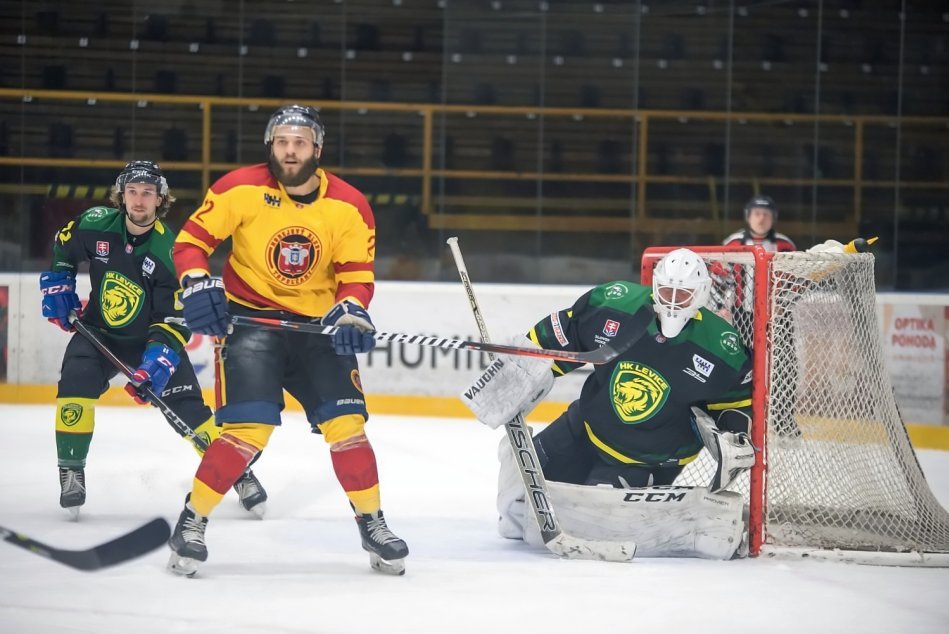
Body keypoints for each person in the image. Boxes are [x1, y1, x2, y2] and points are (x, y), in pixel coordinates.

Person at [168, 104, 408, 576]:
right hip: (251, 323)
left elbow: (356, 275)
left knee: (348, 426)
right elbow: (191, 242)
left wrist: (352, 309)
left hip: (315, 328)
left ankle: (372, 522)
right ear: (271, 146)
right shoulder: (238, 188)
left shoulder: (349, 204)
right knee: (247, 432)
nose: (290, 150)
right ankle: (191, 522)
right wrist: (196, 281)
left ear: (317, 149)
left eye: (299, 142)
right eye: (282, 142)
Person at [459, 248, 756, 558]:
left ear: (701, 294)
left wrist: (733, 434)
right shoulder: (614, 305)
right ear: (654, 285)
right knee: (516, 495)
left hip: (645, 459)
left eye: (682, 295)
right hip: (584, 429)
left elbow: (735, 400)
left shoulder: (720, 345)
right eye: (667, 291)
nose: (671, 301)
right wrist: (517, 373)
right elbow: (563, 335)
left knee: (590, 520)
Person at [40, 161, 267, 520]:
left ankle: (238, 473)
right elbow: (63, 248)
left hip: (150, 339)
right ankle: (71, 471)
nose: (139, 200)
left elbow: (173, 319)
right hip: (98, 332)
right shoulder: (95, 223)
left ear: (160, 199)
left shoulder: (169, 250)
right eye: (132, 192)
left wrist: (156, 362)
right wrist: (59, 282)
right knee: (74, 384)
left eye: (148, 193)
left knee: (190, 412)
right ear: (122, 195)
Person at [722, 195, 796, 252]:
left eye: (766, 214)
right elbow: (718, 270)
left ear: (773, 218)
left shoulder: (784, 244)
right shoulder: (734, 243)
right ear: (748, 217)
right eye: (757, 214)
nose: (762, 219)